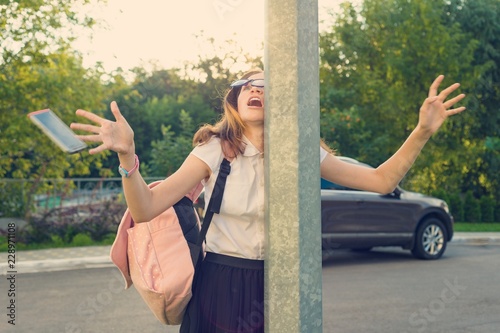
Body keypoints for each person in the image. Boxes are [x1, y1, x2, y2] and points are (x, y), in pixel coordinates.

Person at [70, 69, 465, 332]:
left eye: (266, 86)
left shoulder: (300, 152)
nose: (257, 89)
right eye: (248, 85)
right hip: (219, 282)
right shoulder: (212, 150)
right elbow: (145, 209)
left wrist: (423, 130)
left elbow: (382, 180)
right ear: (235, 101)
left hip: (282, 285)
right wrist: (127, 156)